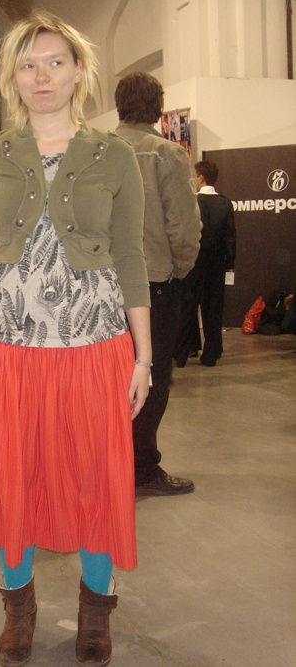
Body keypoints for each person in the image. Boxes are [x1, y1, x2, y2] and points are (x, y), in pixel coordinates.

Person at [0, 12, 151, 667]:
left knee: (95, 480)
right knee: (14, 479)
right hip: (0, 347)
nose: (42, 76)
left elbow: (130, 257)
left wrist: (143, 355)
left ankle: (96, 609)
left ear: (79, 71)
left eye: (55, 61)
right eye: (28, 65)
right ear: (12, 78)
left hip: (93, 345)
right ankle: (18, 606)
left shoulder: (114, 155)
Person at [115, 72, 201, 496]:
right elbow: (184, 225)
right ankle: (142, 467)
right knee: (151, 376)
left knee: (107, 377)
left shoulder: (97, 149)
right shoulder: (166, 154)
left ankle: (107, 464)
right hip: (152, 284)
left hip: (101, 287)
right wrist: (179, 269)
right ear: (157, 106)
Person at [174, 160, 236, 367]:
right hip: (216, 265)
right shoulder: (225, 203)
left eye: (194, 175)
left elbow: (184, 233)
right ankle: (211, 354)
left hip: (194, 263)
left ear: (200, 178)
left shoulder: (192, 202)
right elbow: (230, 237)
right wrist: (229, 264)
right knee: (214, 309)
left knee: (187, 308)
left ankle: (180, 355)